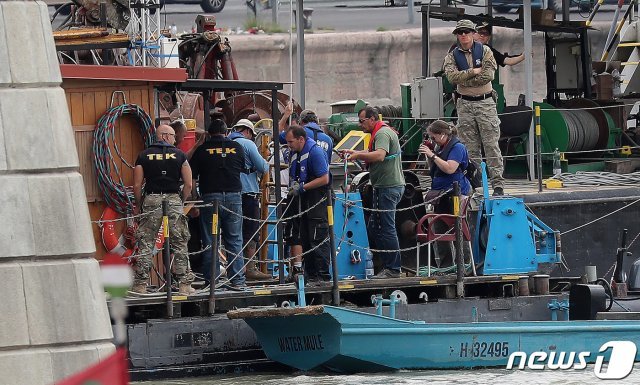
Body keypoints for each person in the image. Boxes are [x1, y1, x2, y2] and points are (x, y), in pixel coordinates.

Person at [443, 19, 505, 196]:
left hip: (485, 102)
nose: (463, 35)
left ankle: (497, 184)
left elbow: (488, 75)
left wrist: (466, 78)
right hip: (464, 103)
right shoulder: (452, 56)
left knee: (491, 144)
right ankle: (476, 184)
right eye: (460, 32)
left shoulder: (485, 51)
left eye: (467, 31)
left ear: (472, 33)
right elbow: (452, 78)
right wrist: (472, 71)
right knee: (470, 147)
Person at [132, 124, 194, 295]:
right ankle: (184, 285)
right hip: (173, 198)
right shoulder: (180, 155)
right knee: (179, 242)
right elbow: (188, 183)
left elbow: (137, 184)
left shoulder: (143, 156)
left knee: (146, 243)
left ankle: (140, 284)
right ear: (166, 136)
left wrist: (139, 203)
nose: (175, 139)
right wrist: (181, 200)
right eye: (173, 136)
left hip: (151, 199)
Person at [343, 106, 405, 279]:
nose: (360, 125)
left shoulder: (382, 134)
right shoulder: (379, 133)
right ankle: (382, 265)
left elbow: (379, 155)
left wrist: (357, 157)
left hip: (388, 187)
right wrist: (354, 152)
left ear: (372, 119)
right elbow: (373, 152)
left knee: (386, 228)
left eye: (362, 121)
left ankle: (393, 269)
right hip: (382, 186)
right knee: (374, 227)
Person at [191, 119, 247, 288]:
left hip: (210, 199)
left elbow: (192, 178)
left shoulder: (202, 150)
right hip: (233, 198)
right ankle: (238, 281)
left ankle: (213, 281)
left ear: (208, 134)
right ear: (226, 132)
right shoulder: (237, 148)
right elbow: (242, 168)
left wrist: (195, 198)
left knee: (210, 240)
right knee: (235, 240)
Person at [284, 125, 331, 285]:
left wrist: (303, 187)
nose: (288, 145)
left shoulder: (315, 152)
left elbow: (324, 178)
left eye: (291, 142)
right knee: (305, 237)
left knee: (317, 236)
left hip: (317, 200)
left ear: (301, 139)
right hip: (303, 201)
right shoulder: (295, 153)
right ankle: (311, 274)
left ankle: (322, 276)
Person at [227, 119, 272, 280]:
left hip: (229, 194)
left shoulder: (226, 143)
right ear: (247, 131)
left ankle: (234, 268)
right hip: (248, 193)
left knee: (232, 232)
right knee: (251, 230)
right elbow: (262, 166)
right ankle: (250, 268)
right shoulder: (247, 144)